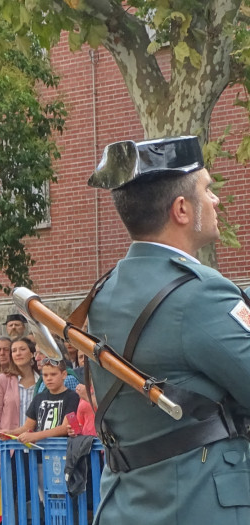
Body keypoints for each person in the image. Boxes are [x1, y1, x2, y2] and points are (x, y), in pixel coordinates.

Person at [82, 136, 250, 523]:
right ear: (181, 209)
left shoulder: (105, 290)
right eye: (207, 190)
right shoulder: (201, 293)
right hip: (198, 505)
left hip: (127, 506)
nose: (216, 201)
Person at [1, 359, 79, 445]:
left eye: (53, 374)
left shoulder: (72, 397)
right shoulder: (39, 397)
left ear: (64, 374)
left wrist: (36, 436)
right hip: (40, 452)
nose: (49, 378)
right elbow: (27, 427)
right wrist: (10, 433)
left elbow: (65, 428)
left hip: (61, 450)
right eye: (45, 375)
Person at [0, 336, 39, 441]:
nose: (18, 353)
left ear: (32, 354)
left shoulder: (42, 380)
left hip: (37, 443)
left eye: (22, 349)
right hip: (9, 445)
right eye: (14, 351)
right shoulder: (2, 380)